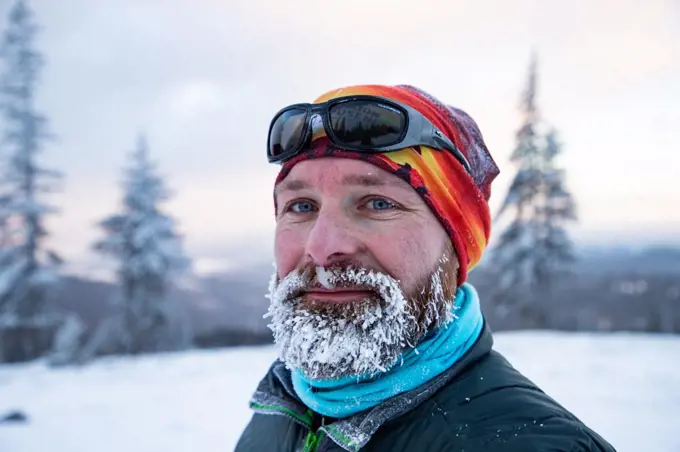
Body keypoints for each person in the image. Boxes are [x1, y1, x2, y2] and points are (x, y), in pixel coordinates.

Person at [235, 84, 616, 451]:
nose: (321, 248)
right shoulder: (282, 404)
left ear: (454, 244)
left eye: (378, 203)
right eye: (301, 206)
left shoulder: (533, 445)